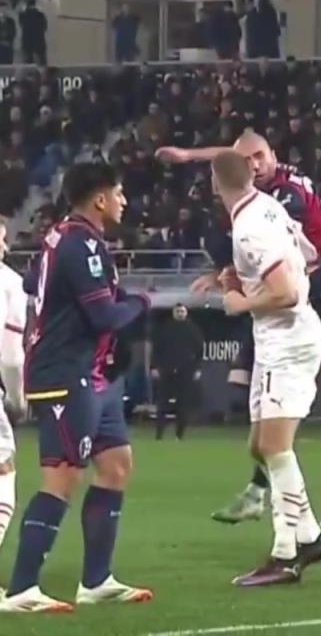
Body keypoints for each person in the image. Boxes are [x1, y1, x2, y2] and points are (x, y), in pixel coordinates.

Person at [157, 131, 321, 530]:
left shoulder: (277, 201)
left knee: (283, 304)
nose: (254, 165)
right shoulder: (271, 191)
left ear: (274, 156)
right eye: (247, 161)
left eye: (260, 157)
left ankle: (304, 521)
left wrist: (234, 284)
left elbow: (281, 278)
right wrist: (186, 155)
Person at [2, 164, 152, 613]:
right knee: (63, 475)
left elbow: (32, 282)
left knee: (116, 465)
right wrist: (140, 301)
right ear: (99, 200)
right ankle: (22, 589)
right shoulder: (79, 243)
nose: (124, 201)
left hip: (92, 372)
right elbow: (104, 317)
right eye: (118, 193)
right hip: (63, 373)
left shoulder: (62, 237)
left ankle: (96, 580)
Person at [210, 151, 321, 586]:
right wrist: (241, 276)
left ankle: (291, 550)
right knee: (261, 446)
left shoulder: (249, 226)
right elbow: (309, 253)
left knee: (275, 447)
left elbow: (286, 293)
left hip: (287, 341)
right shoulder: (267, 205)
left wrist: (242, 301)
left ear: (215, 183)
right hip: (277, 341)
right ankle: (305, 538)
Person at [0, 217, 25, 565]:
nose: (5, 248)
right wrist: (17, 399)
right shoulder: (8, 282)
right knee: (4, 469)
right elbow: (11, 357)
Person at [152, 304, 203, 441]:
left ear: (186, 313)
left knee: (184, 403)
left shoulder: (193, 329)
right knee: (162, 403)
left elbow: (199, 351)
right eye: (178, 311)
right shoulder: (165, 329)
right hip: (166, 369)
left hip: (186, 370)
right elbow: (157, 349)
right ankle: (159, 434)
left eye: (182, 311)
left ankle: (179, 435)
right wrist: (154, 367)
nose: (180, 313)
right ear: (173, 313)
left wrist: (197, 368)